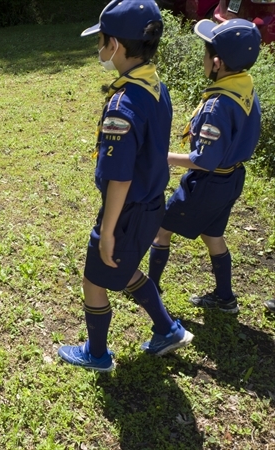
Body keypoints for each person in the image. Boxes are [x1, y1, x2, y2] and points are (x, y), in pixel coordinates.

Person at [57, 0, 193, 372]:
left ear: (114, 45)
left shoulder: (122, 103)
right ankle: (168, 329)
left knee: (93, 281)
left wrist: (108, 229)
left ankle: (96, 354)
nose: (99, 49)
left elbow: (119, 176)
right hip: (151, 205)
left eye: (101, 40)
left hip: (128, 210)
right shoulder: (154, 85)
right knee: (126, 266)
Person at [147, 19, 262, 314]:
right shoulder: (246, 88)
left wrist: (163, 156)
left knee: (161, 228)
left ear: (216, 61)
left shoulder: (218, 105)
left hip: (208, 184)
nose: (202, 59)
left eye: (204, 53)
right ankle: (225, 298)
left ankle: (151, 288)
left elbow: (204, 161)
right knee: (213, 236)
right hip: (232, 179)